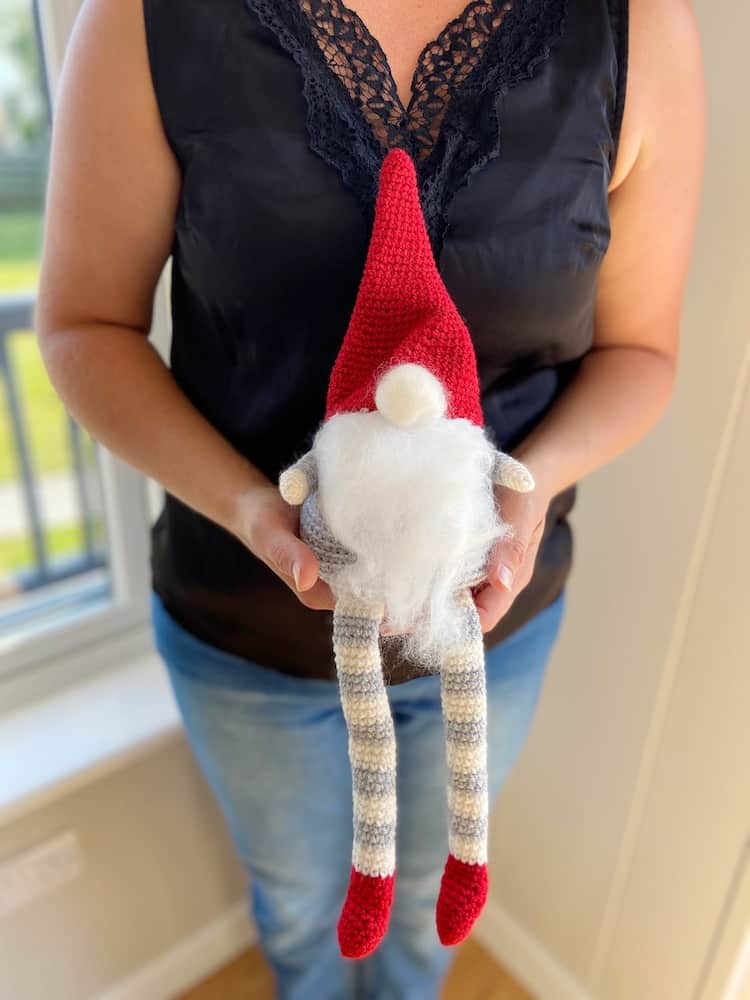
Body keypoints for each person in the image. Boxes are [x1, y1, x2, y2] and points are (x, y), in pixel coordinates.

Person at [35, 0, 705, 996]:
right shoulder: (147, 21)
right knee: (301, 910)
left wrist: (531, 491)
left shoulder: (637, 29)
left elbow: (642, 352)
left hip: (489, 625)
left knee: (435, 907)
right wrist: (256, 510)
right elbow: (85, 326)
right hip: (245, 628)